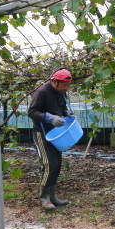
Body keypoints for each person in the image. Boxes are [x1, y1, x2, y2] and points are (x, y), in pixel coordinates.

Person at [28, 68, 73, 210]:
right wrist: (49, 117)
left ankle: (53, 196)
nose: (66, 88)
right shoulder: (41, 92)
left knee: (57, 164)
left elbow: (61, 107)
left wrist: (66, 113)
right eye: (64, 85)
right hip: (42, 134)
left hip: (56, 134)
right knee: (49, 164)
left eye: (68, 85)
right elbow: (32, 112)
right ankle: (44, 197)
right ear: (54, 82)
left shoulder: (61, 92)